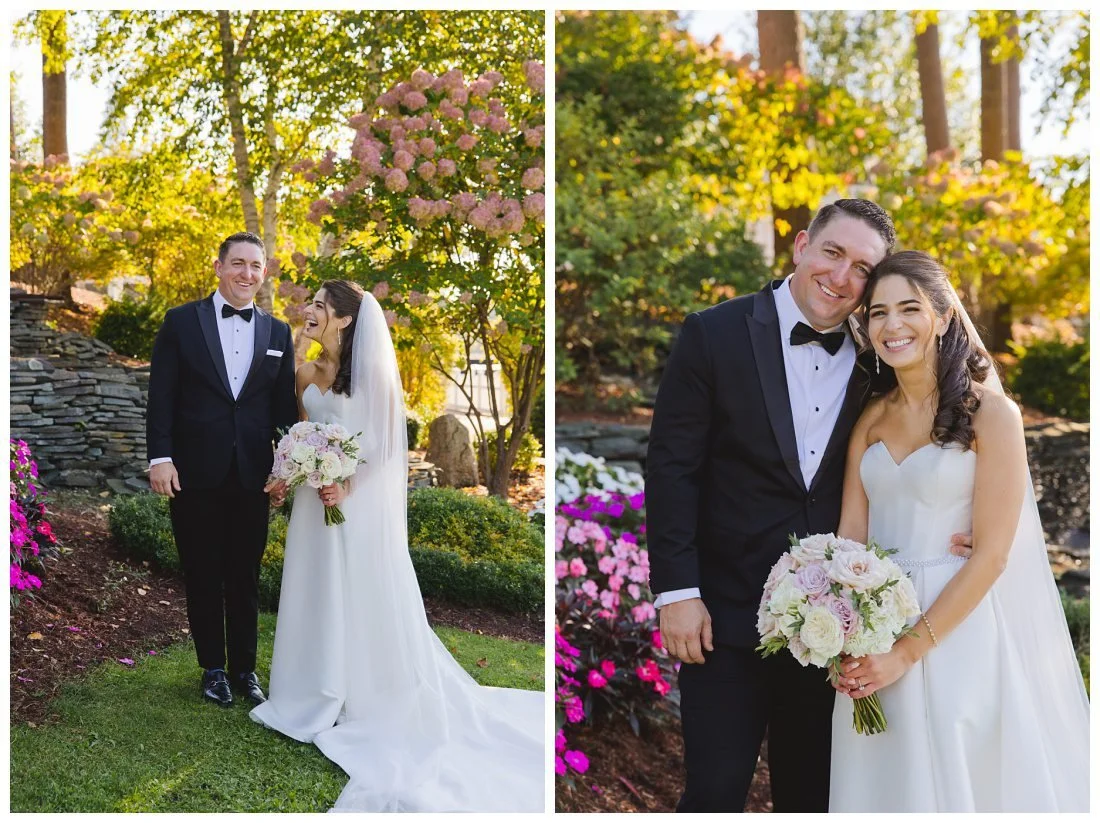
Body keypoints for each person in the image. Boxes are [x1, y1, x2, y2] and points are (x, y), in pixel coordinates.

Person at [646, 199, 905, 812]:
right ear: (801, 246)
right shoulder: (713, 332)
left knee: (812, 797)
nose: (842, 278)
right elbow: (671, 468)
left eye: (863, 268)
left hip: (834, 627)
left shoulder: (881, 361)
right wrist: (677, 592)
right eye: (833, 253)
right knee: (713, 792)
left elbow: (934, 437)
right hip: (721, 619)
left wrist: (966, 523)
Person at [249, 280, 543, 813]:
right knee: (313, 591)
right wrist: (286, 474)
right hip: (314, 506)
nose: (309, 311)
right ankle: (309, 689)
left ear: (344, 319)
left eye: (319, 306)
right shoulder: (306, 373)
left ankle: (356, 690)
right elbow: (297, 434)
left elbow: (385, 447)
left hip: (352, 504)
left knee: (356, 594)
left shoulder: (375, 378)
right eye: (309, 303)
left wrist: (346, 482)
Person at [828, 251, 1089, 812]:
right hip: (874, 624)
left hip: (957, 630)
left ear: (944, 315)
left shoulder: (992, 415)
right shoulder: (869, 419)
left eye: (908, 308)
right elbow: (849, 538)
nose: (892, 325)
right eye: (877, 313)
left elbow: (993, 555)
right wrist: (836, 630)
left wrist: (905, 653)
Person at [146, 231, 298, 708]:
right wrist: (160, 457)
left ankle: (245, 670)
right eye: (237, 263)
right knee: (203, 572)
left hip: (252, 473)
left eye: (255, 265)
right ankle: (212, 667)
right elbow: (161, 397)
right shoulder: (180, 323)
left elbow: (283, 414)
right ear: (218, 267)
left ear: (264, 272)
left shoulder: (278, 334)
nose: (246, 274)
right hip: (192, 471)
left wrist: (287, 468)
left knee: (245, 575)